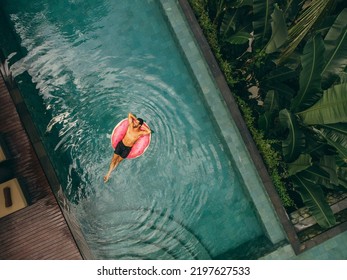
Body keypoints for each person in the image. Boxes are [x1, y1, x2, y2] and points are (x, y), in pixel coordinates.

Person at [104, 113, 151, 182]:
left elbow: (149, 131)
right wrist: (135, 120)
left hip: (127, 149)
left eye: (136, 123)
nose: (134, 123)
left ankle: (110, 173)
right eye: (135, 122)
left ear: (140, 125)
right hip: (121, 145)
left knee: (118, 162)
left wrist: (143, 125)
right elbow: (129, 114)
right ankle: (108, 174)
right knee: (113, 160)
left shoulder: (140, 133)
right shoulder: (131, 125)